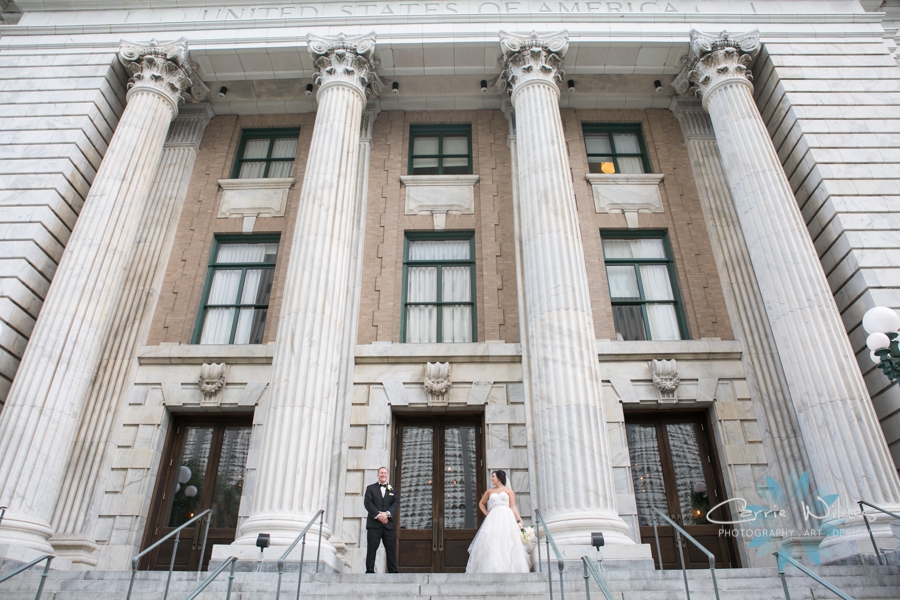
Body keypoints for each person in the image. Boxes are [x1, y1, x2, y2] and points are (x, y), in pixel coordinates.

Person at [465, 469, 530, 573]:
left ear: (499, 478)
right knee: (493, 540)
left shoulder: (509, 491)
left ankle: (508, 567)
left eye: (493, 476)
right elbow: (481, 503)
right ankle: (494, 567)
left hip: (506, 516)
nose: (491, 478)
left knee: (507, 539)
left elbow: (513, 506)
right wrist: (486, 513)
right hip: (493, 517)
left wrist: (519, 520)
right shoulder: (489, 491)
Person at [363, 466, 400, 573]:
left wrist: (386, 514)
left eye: (385, 473)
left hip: (388, 525)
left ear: (387, 475)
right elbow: (368, 503)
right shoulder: (370, 488)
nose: (383, 475)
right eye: (381, 473)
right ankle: (369, 571)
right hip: (374, 524)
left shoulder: (393, 489)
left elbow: (395, 503)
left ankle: (393, 571)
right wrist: (379, 516)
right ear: (377, 475)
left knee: (391, 549)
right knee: (371, 549)